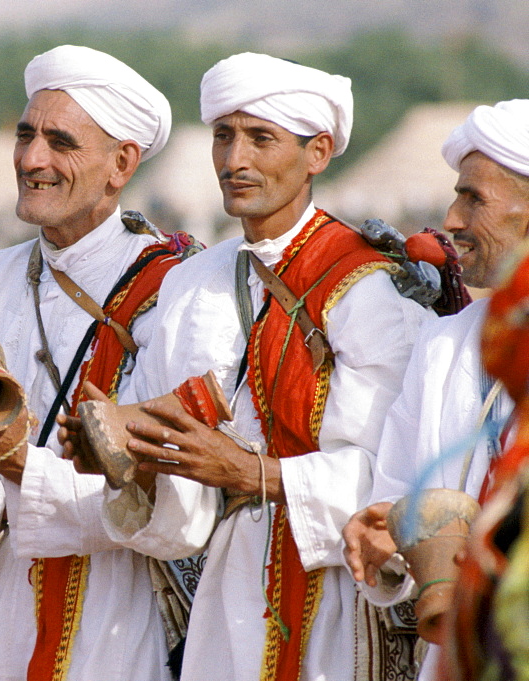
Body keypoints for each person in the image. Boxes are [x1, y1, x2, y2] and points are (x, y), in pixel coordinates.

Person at [86, 52, 432, 681]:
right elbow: (171, 458)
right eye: (223, 136)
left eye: (260, 138)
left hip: (337, 595)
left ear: (317, 152)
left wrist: (254, 473)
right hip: (225, 590)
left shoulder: (367, 289)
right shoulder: (192, 281)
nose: (233, 160)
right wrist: (121, 454)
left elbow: (399, 471)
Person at [0, 44, 211, 681]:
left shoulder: (178, 291)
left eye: (60, 142)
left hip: (128, 616)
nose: (31, 159)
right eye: (25, 135)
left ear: (120, 163)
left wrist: (17, 465)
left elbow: (179, 500)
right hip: (9, 616)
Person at [342, 98, 529, 679]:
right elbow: (400, 494)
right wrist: (388, 532)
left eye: (473, 198)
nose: (450, 220)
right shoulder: (443, 345)